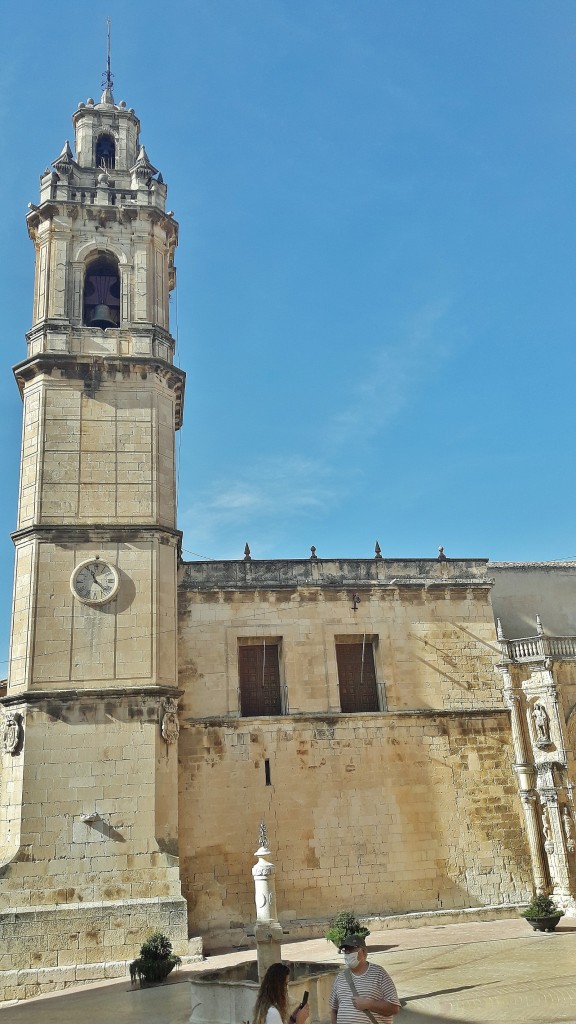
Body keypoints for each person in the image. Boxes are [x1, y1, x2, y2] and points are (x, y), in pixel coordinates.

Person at [329, 933, 401, 1024]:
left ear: (363, 952)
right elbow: (333, 1010)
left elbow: (394, 1008)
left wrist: (369, 1004)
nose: (348, 954)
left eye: (351, 950)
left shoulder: (379, 973)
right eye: (345, 951)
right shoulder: (340, 977)